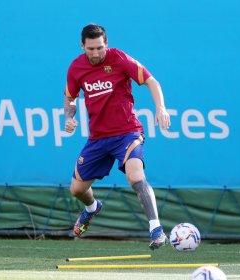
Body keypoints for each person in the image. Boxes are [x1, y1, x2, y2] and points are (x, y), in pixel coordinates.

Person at [64, 23, 171, 250]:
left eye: (100, 48)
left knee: (135, 176)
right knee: (76, 190)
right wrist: (68, 116)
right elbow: (70, 98)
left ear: (106, 44)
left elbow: (152, 81)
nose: (96, 53)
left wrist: (160, 108)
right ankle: (92, 208)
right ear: (82, 46)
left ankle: (156, 230)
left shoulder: (119, 59)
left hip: (127, 132)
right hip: (98, 138)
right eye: (90, 49)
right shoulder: (75, 68)